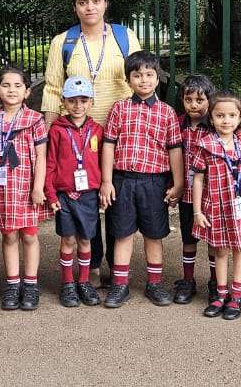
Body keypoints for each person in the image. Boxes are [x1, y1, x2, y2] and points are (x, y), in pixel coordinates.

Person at [41, 0, 143, 285]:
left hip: (118, 135)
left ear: (105, 4)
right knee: (85, 201)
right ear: (75, 7)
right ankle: (93, 265)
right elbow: (53, 88)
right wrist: (49, 135)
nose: (90, 7)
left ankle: (117, 265)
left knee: (114, 199)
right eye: (83, 2)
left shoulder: (124, 37)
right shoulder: (63, 42)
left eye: (96, 1)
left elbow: (140, 79)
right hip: (77, 135)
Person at [100, 50, 184, 308]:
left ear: (158, 78)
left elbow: (174, 150)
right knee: (122, 233)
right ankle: (120, 285)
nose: (144, 80)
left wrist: (178, 183)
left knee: (153, 234)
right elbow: (109, 145)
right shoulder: (119, 109)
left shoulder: (167, 113)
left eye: (149, 75)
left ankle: (154, 283)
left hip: (154, 183)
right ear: (128, 80)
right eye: (137, 75)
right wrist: (106, 181)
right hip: (123, 181)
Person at [0, 65, 50, 311]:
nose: (12, 90)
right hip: (0, 188)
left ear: (27, 91)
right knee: (8, 235)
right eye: (6, 85)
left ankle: (30, 284)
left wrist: (38, 187)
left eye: (18, 85)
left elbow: (41, 156)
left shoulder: (35, 120)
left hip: (26, 187)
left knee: (29, 235)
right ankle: (12, 283)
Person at [190, 91, 241, 320]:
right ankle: (221, 293)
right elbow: (198, 179)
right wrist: (197, 211)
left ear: (239, 117)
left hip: (240, 206)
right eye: (220, 115)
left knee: (240, 248)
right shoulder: (205, 145)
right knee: (220, 250)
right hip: (216, 206)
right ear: (211, 118)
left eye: (232, 115)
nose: (226, 120)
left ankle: (237, 295)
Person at [44, 76, 104, 308]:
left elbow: (103, 163)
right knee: (68, 239)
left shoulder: (97, 130)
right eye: (72, 101)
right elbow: (50, 163)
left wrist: (102, 188)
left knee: (86, 239)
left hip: (88, 195)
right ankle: (68, 283)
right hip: (64, 195)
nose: (78, 106)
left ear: (91, 102)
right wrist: (51, 193)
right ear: (63, 102)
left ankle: (84, 281)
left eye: (83, 100)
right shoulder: (57, 131)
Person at [173, 74, 215, 304]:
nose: (194, 105)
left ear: (209, 100)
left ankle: (215, 281)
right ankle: (188, 280)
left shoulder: (215, 126)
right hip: (186, 194)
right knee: (188, 238)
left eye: (200, 100)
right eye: (188, 100)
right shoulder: (177, 124)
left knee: (213, 239)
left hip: (210, 195)